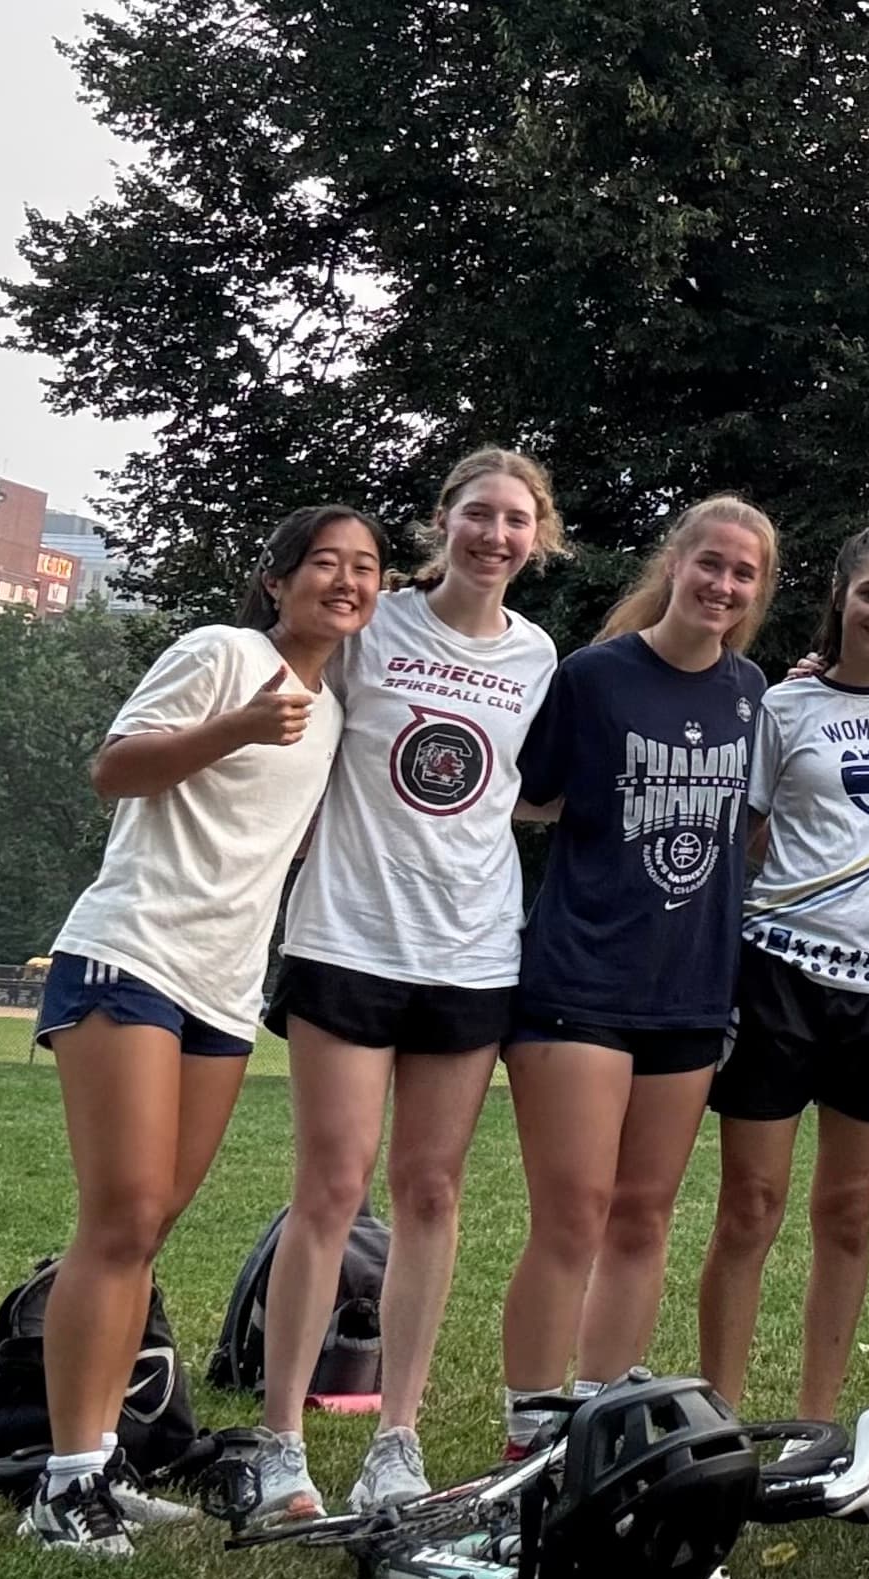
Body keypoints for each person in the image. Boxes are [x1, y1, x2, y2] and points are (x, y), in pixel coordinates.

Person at [23, 506, 381, 1555]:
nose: (345, 582)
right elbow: (114, 769)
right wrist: (232, 726)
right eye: (324, 562)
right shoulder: (224, 654)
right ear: (277, 580)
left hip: (223, 993)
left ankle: (97, 1455)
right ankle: (65, 1482)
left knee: (152, 1223)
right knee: (121, 1215)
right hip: (130, 954)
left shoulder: (336, 705)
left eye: (364, 569)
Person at [252, 449, 566, 1525]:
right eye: (477, 514)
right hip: (348, 938)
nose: (494, 534)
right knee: (332, 1190)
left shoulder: (537, 653)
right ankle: (280, 1444)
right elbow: (289, 720)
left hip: (472, 953)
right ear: (444, 522)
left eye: (515, 520)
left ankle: (398, 1437)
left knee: (431, 1193)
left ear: (539, 537)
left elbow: (528, 790)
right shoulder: (370, 624)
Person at [496, 496, 774, 1454]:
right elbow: (522, 797)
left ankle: (601, 1417)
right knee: (572, 1213)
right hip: (580, 977)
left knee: (645, 1214)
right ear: (676, 563)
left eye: (743, 574)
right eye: (711, 564)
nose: (723, 586)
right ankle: (531, 1431)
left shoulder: (752, 691)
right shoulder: (596, 676)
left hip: (691, 988)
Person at [694, 527, 869, 1421]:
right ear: (841, 595)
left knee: (846, 1214)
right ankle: (717, 1422)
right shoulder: (784, 706)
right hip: (777, 975)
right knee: (751, 1206)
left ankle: (814, 1424)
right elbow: (743, 838)